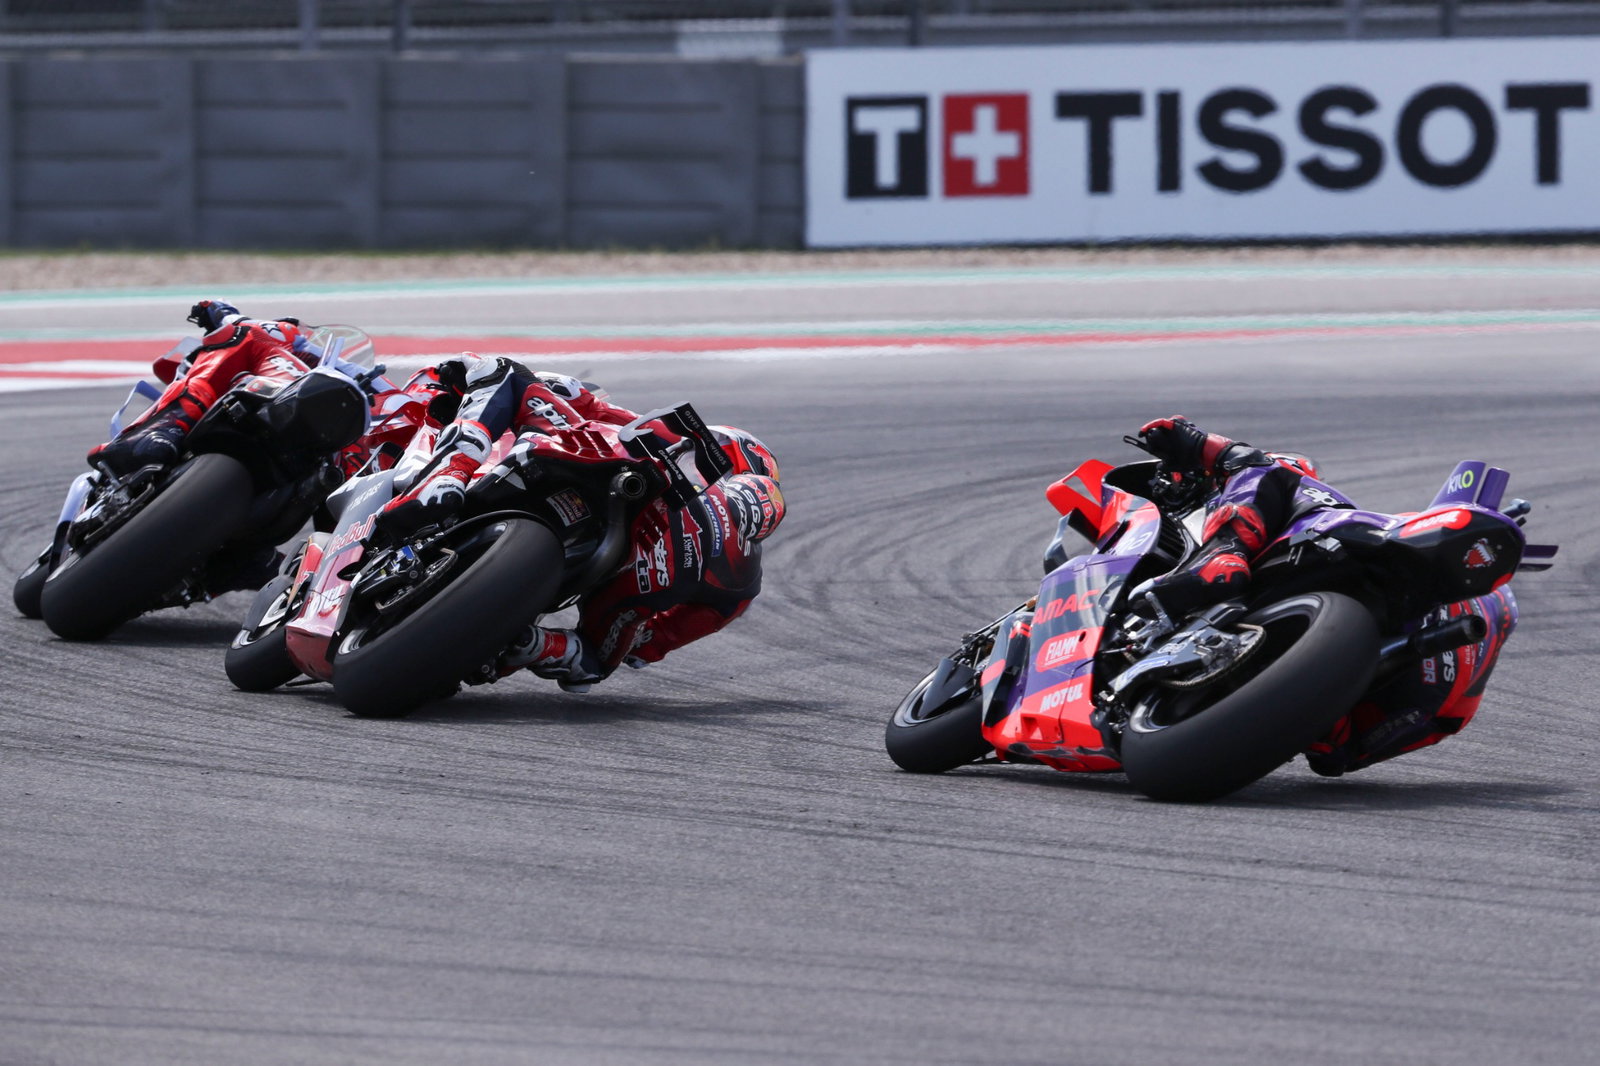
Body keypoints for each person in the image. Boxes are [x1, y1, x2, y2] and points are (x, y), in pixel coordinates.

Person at [1130, 415, 1515, 778]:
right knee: (1338, 752)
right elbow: (1334, 765)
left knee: (1271, 472)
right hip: (1403, 708)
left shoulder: (1293, 485)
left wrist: (1201, 443)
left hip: (1399, 664)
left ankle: (1224, 555)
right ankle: (1322, 725)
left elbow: (1258, 465)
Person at [374, 353, 785, 693]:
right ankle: (532, 645)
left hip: (582, 471)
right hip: (614, 564)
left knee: (502, 372)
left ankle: (451, 472)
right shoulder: (741, 586)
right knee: (592, 661)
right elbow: (645, 649)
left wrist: (541, 387)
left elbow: (581, 399)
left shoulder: (668, 441)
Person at [89, 299, 317, 476]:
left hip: (308, 431)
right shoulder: (284, 334)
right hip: (249, 394)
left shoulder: (342, 373)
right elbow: (233, 320)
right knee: (249, 335)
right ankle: (164, 428)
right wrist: (220, 311)